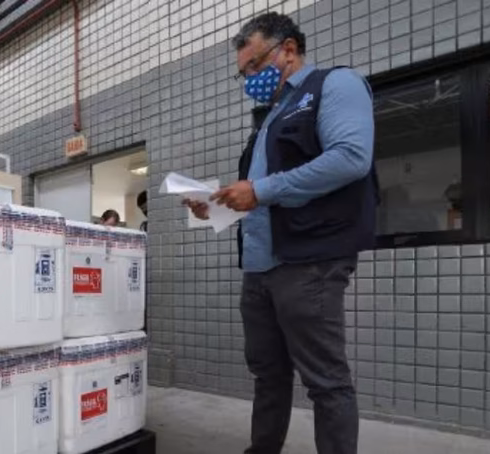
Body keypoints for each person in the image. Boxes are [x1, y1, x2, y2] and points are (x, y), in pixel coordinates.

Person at [185, 12, 378, 454]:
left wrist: (259, 190)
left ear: (288, 49)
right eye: (244, 73)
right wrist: (216, 205)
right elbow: (262, 197)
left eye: (254, 65)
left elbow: (351, 157)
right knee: (268, 374)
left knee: (326, 381)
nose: (250, 78)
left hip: (308, 263)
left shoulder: (334, 85)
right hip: (259, 268)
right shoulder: (270, 118)